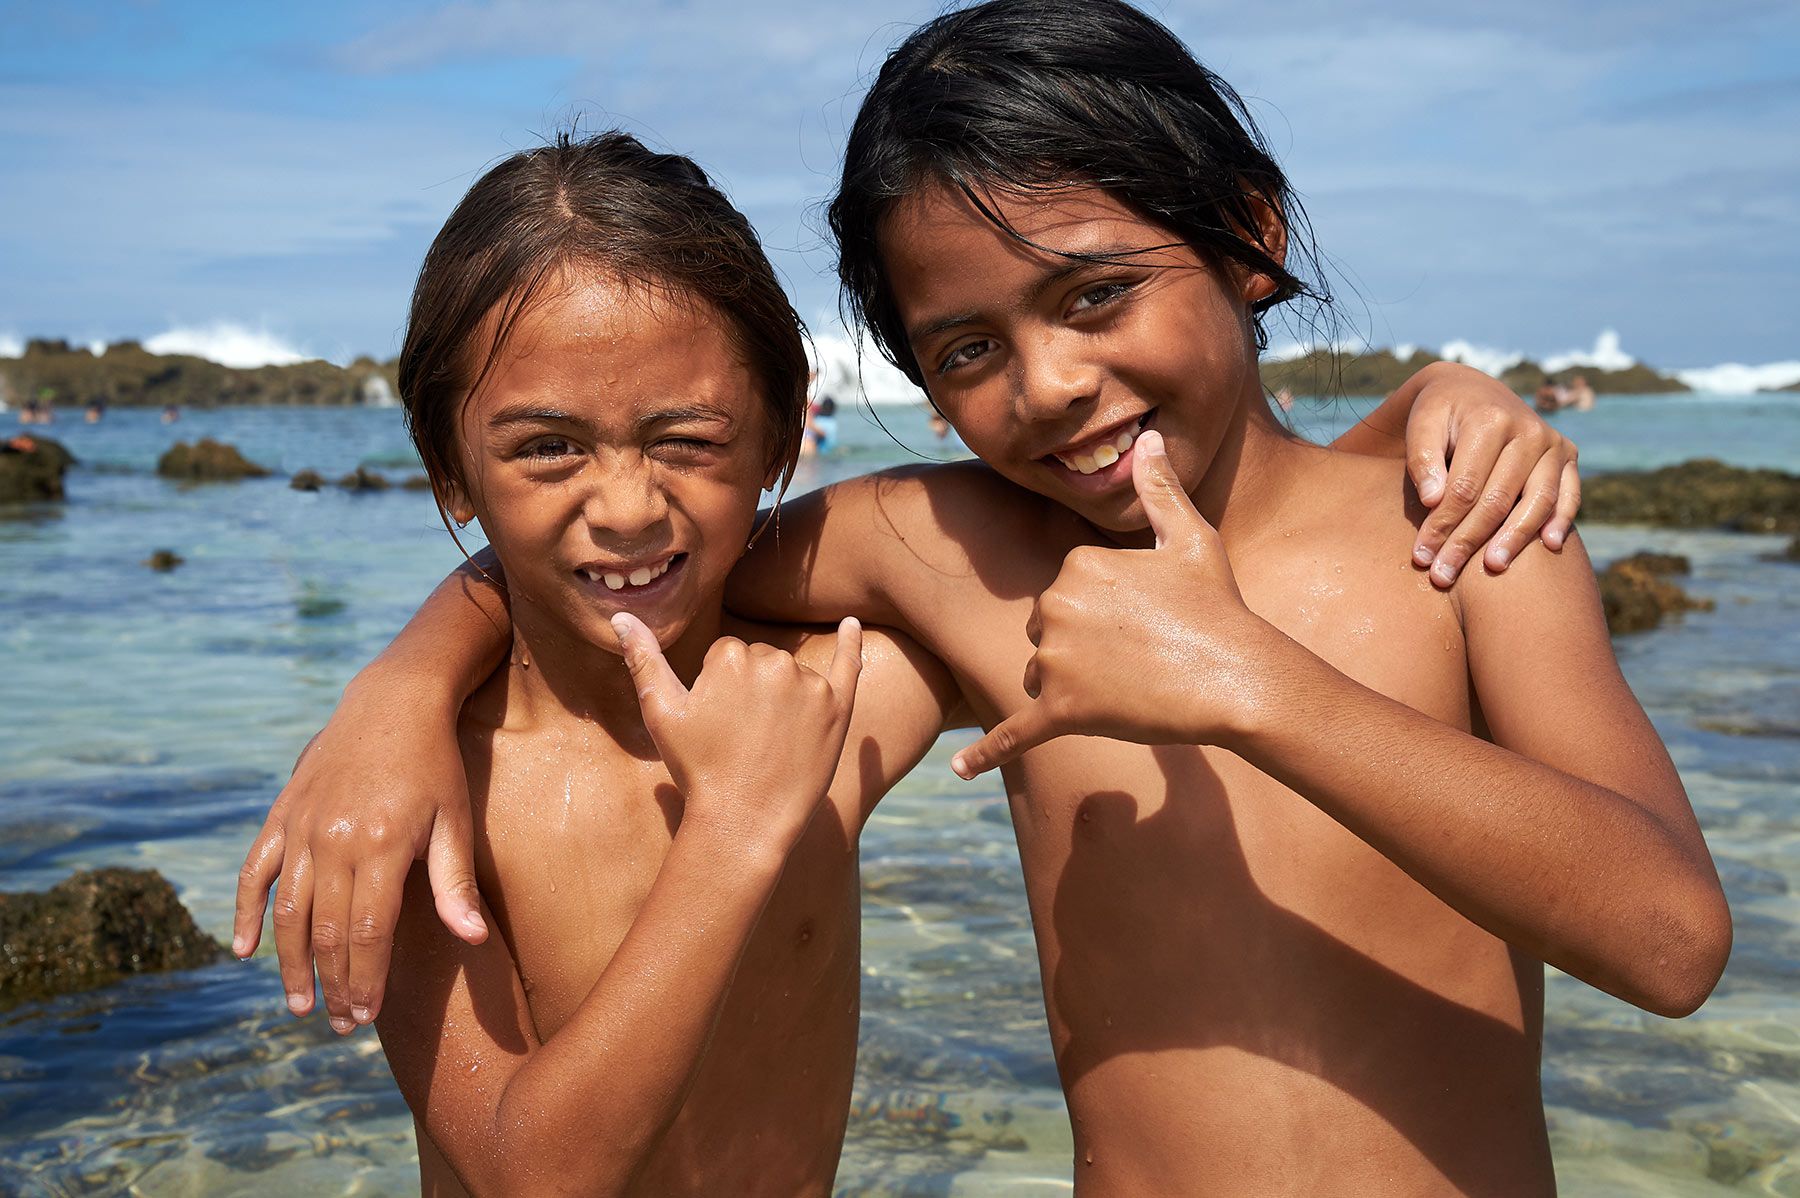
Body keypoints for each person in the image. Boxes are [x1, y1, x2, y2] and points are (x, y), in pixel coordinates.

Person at [232, 3, 1661, 1192]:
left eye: (1094, 294)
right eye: (968, 348)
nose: (1052, 384)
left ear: (1248, 234)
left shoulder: (1464, 527)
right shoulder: (964, 553)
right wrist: (404, 687)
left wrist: (1262, 676)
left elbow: (1669, 939)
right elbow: (643, 557)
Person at [295, 132, 963, 1195]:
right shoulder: (423, 794)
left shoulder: (818, 698)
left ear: (779, 438)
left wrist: (410, 668)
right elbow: (529, 1174)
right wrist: (732, 830)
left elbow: (1026, 540)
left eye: (687, 439)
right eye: (547, 447)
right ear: (448, 468)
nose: (626, 509)